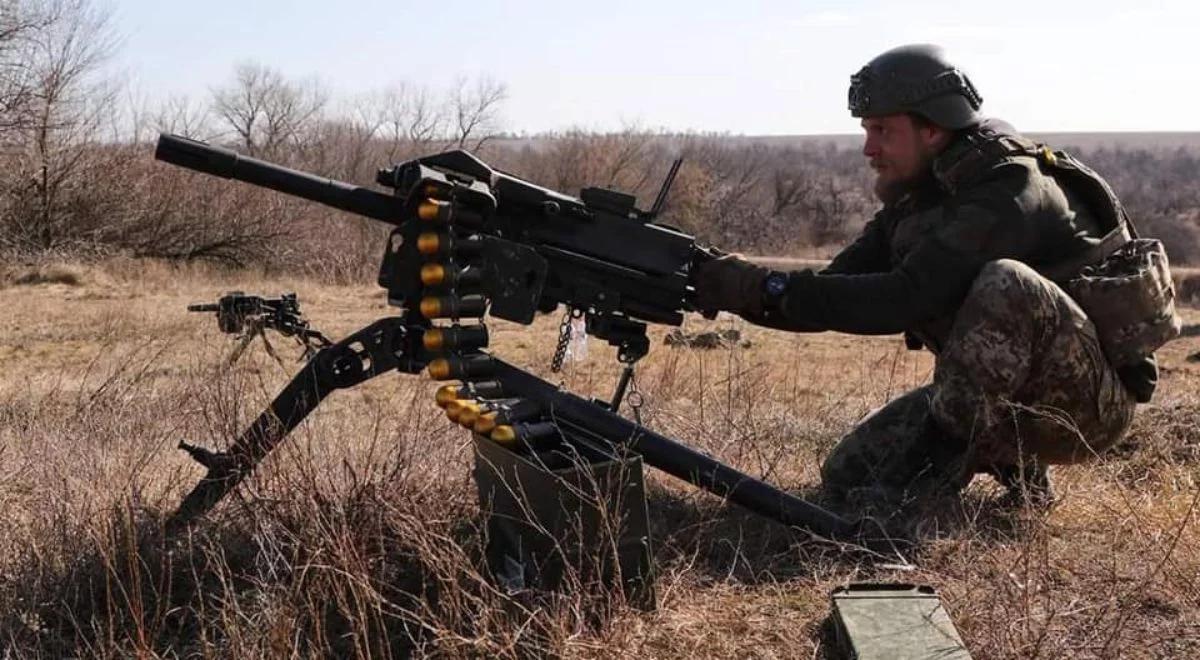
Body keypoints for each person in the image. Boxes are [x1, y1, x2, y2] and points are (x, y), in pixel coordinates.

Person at [694, 44, 1177, 526]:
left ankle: (920, 500)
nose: (868, 148)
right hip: (1015, 397)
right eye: (866, 130)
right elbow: (832, 292)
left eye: (882, 129)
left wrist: (760, 287)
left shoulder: (1008, 191)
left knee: (1005, 284)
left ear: (933, 128)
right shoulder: (923, 192)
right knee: (847, 474)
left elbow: (903, 298)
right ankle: (1009, 461)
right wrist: (730, 285)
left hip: (1090, 411)